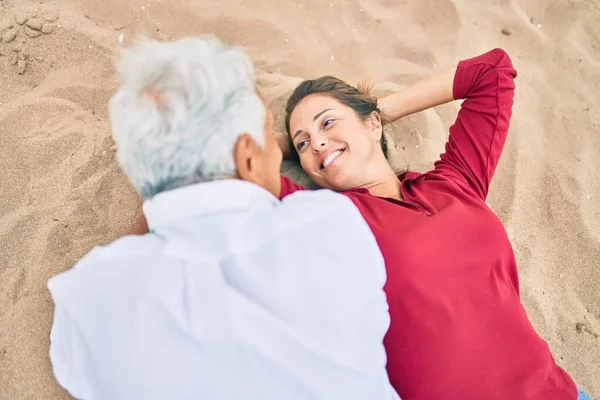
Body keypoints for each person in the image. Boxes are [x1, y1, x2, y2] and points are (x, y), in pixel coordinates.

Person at [47, 36, 400, 400]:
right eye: (268, 136)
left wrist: (158, 178)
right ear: (247, 156)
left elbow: (77, 366)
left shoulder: (89, 295)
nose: (279, 157)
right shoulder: (330, 225)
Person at [279, 49, 590, 399]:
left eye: (328, 122)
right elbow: (234, 165)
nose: (317, 143)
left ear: (372, 124)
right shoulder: (328, 216)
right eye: (302, 143)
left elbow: (492, 72)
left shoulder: (455, 182)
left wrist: (382, 109)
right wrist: (285, 147)